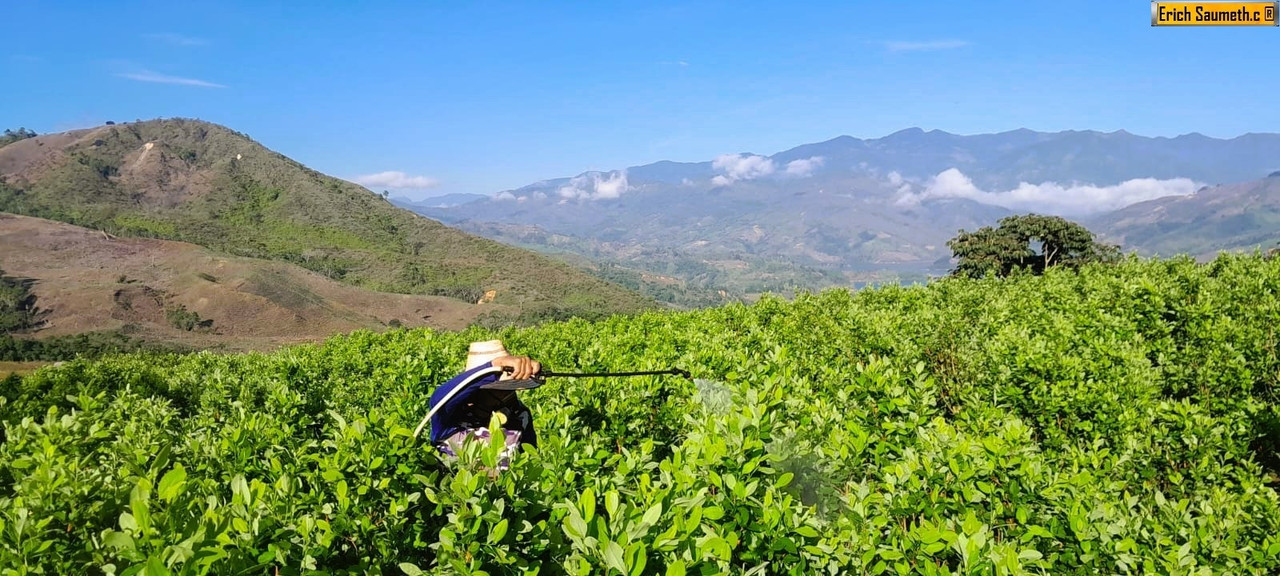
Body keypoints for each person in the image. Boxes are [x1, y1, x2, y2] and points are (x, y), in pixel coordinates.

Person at [426, 340, 542, 466]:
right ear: (477, 392)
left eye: (511, 387)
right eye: (501, 389)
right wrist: (494, 366)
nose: (509, 395)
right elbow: (438, 400)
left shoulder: (519, 413)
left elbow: (529, 459)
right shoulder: (452, 416)